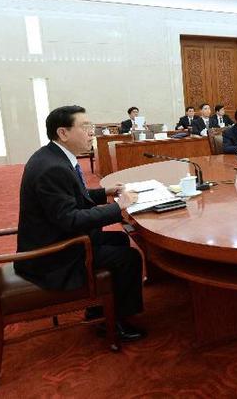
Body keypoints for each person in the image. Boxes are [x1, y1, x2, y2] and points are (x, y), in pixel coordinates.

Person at [15, 106, 146, 341]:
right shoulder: (52, 168)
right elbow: (70, 219)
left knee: (119, 239)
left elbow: (73, 197)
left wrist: (105, 191)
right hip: (54, 256)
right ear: (63, 133)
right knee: (129, 258)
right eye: (85, 127)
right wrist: (118, 207)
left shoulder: (54, 157)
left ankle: (101, 306)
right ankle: (115, 322)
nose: (91, 133)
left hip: (57, 237)